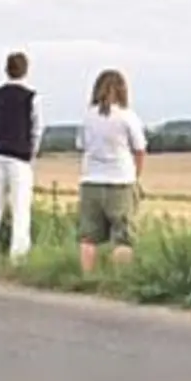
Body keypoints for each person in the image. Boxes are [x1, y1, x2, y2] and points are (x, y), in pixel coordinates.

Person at [0, 50, 43, 274]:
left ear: (6, 70)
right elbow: (36, 130)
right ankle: (18, 261)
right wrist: (31, 154)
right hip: (20, 160)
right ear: (26, 70)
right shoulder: (32, 98)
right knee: (21, 211)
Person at [75, 68, 147, 274]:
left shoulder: (88, 117)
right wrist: (135, 176)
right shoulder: (127, 117)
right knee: (123, 237)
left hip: (91, 181)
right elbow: (139, 149)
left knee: (88, 237)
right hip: (120, 182)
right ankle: (119, 277)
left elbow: (81, 145)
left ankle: (87, 276)